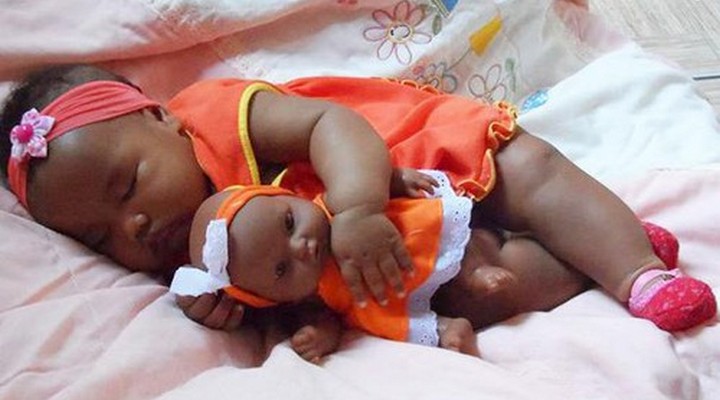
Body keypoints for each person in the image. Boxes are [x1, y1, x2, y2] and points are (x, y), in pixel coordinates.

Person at [0, 64, 715, 335]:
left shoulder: (216, 115)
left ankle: (636, 274)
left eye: (127, 185)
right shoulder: (190, 253)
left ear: (161, 119)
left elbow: (331, 125)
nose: (133, 224)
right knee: (484, 290)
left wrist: (359, 209)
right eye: (99, 237)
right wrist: (219, 307)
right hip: (412, 243)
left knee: (530, 174)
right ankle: (598, 252)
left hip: (415, 156)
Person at [169, 170, 690, 362]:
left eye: (289, 223)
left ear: (287, 196)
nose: (302, 246)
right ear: (271, 298)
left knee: (486, 263)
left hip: (448, 243)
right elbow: (326, 321)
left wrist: (395, 180)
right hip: (441, 297)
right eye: (282, 269)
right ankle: (603, 256)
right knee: (519, 288)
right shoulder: (312, 298)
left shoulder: (336, 205)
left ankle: (615, 250)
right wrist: (320, 337)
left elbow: (377, 179)